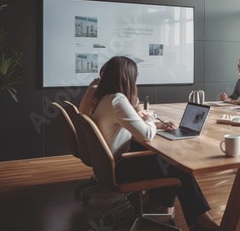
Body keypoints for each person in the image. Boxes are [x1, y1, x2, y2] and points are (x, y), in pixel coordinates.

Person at [91, 56, 220, 231]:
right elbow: (146, 134)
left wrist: (156, 124)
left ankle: (162, 207)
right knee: (177, 166)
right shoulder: (117, 100)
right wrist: (151, 118)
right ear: (126, 77)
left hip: (110, 166)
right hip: (120, 170)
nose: (136, 79)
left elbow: (133, 127)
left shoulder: (106, 98)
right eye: (135, 75)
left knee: (166, 161)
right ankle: (201, 221)